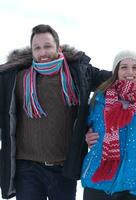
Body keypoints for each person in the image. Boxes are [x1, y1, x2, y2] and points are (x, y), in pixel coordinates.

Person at [0, 24, 111, 200]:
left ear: (58, 48)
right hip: (27, 169)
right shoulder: (16, 77)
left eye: (47, 46)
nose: (42, 52)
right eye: (37, 48)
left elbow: (112, 80)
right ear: (32, 51)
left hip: (64, 168)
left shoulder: (78, 73)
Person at [81, 50, 136, 200]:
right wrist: (86, 135)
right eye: (124, 67)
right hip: (98, 181)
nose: (130, 72)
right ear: (116, 71)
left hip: (133, 184)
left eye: (135, 67)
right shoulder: (99, 99)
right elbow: (81, 126)